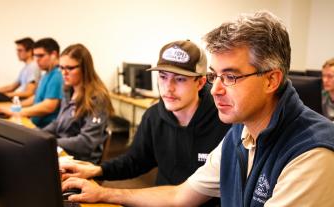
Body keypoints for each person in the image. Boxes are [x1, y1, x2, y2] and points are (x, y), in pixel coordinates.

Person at [61, 11, 334, 206]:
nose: (215, 90)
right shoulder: (239, 134)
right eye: (216, 76)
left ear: (271, 79)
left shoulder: (312, 153)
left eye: (231, 77)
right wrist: (104, 193)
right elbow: (181, 195)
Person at [60, 40, 231, 206]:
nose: (168, 88)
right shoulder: (154, 116)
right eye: (163, 77)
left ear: (200, 82)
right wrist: (97, 170)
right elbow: (136, 160)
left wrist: (106, 192)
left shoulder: (225, 122)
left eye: (179, 79)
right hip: (160, 200)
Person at [42, 43, 114, 163]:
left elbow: (86, 143)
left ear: (85, 68)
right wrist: (38, 135)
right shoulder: (68, 90)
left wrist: (50, 142)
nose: (64, 73)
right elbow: (58, 123)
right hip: (63, 152)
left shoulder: (97, 98)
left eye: (69, 68)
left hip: (81, 161)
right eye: (61, 67)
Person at [0, 38, 64, 128]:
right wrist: (13, 106)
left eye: (41, 56)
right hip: (36, 124)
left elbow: (48, 106)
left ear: (54, 54)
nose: (37, 60)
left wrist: (16, 111)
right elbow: (36, 97)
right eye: (35, 56)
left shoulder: (57, 75)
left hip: (45, 129)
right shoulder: (47, 73)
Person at [0, 37, 40, 101]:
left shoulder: (33, 67)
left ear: (30, 51)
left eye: (20, 50)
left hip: (25, 104)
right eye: (17, 50)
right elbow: (11, 87)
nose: (17, 53)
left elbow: (29, 93)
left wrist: (6, 95)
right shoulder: (26, 68)